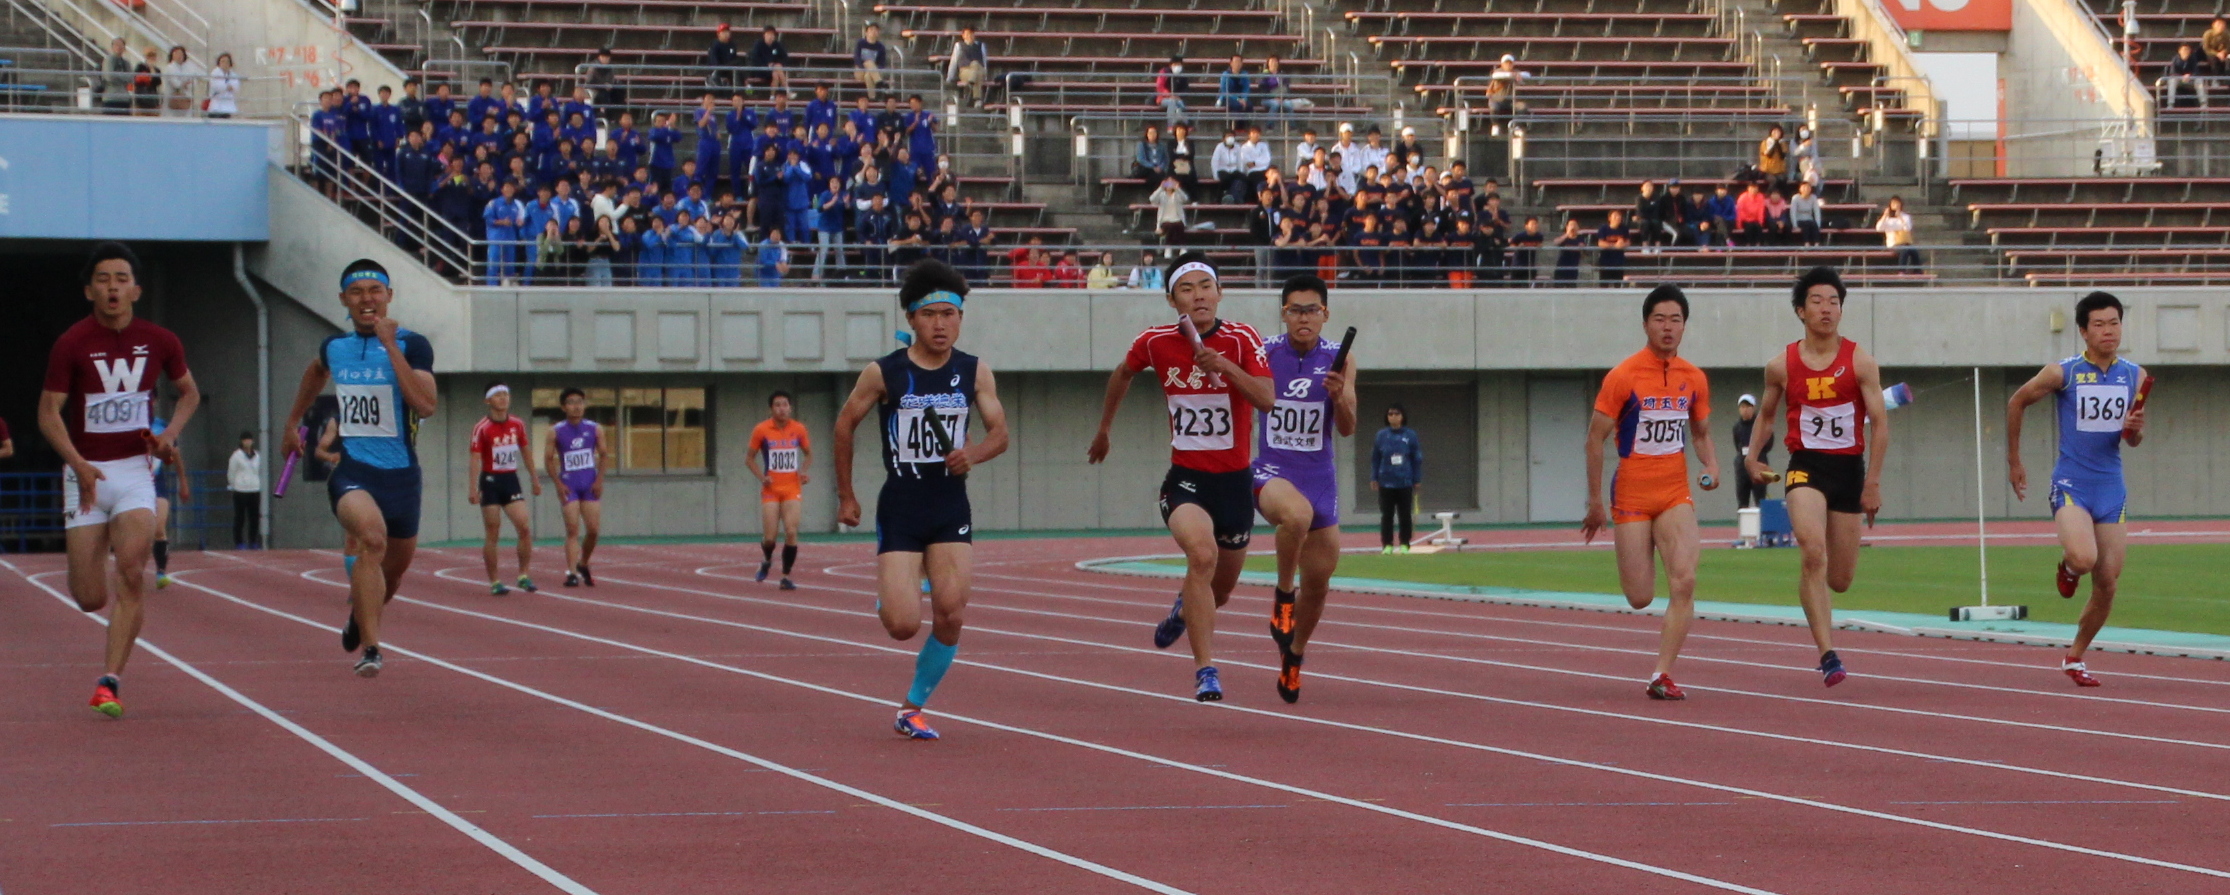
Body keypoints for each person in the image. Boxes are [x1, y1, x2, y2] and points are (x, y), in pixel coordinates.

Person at [833, 260, 1012, 739]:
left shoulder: (974, 372)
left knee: (951, 613)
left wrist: (971, 453)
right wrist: (846, 495)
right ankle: (892, 594)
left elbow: (1000, 434)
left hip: (950, 504)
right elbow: (844, 425)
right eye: (930, 315)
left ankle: (911, 708)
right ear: (911, 319)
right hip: (903, 504)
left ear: (960, 318)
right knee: (902, 625)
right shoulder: (884, 373)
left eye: (949, 315)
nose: (940, 324)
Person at [1087, 253, 1274, 701]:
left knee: (1220, 592)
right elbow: (1122, 373)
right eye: (1186, 289)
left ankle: (1182, 610)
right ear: (1173, 300)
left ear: (1219, 293)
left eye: (1204, 287)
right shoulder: (1155, 342)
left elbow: (1266, 399)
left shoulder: (1243, 338)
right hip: (1186, 481)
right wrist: (1105, 429)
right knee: (1201, 556)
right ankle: (1206, 669)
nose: (1198, 296)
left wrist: (1224, 367)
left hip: (1235, 484)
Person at [41, 243, 200, 717]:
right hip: (85, 472)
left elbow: (187, 393)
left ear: (136, 289)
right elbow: (48, 414)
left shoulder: (161, 340)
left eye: (121, 278)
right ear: (90, 290)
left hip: (134, 470)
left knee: (132, 571)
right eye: (104, 279)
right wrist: (77, 462)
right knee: (90, 598)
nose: (113, 287)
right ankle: (97, 552)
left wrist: (168, 434)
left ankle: (109, 681)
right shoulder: (71, 342)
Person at [279, 259, 434, 677]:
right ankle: (372, 647)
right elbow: (315, 373)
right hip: (354, 473)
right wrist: (293, 423)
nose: (367, 299)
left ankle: (359, 618)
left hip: (402, 478)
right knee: (370, 538)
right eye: (357, 291)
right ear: (344, 300)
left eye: (375, 290)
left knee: (394, 575)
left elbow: (426, 405)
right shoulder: (335, 347)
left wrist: (391, 347)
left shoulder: (413, 344)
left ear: (389, 296)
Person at [1742, 266, 1890, 688]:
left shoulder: (1861, 361)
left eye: (1834, 302)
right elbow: (1767, 416)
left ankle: (1818, 596)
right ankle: (1828, 653)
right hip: (1805, 465)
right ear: (1800, 311)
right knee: (1811, 550)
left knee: (1840, 580)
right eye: (1817, 302)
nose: (1826, 309)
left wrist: (1873, 483)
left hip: (1849, 470)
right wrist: (1752, 457)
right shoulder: (1781, 365)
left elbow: (1880, 424)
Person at [1581, 286, 1721, 700]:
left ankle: (1661, 674)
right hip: (1632, 491)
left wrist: (1710, 464)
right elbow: (1594, 441)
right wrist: (1594, 502)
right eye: (1660, 319)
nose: (1667, 327)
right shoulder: (1623, 376)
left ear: (1684, 326)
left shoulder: (1693, 377)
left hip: (1675, 490)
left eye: (1675, 320)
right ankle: (1641, 549)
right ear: (1646, 324)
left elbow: (1700, 432)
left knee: (1685, 580)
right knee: (1640, 596)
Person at [2005, 292, 2148, 688]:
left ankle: (2075, 657)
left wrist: (2135, 432)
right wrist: (2015, 461)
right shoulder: (2062, 373)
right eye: (2099, 325)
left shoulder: (2135, 376)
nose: (2108, 331)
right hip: (2071, 483)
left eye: (2114, 323)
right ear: (2083, 331)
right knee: (2084, 558)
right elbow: (2017, 402)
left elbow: (2132, 439)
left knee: (2108, 582)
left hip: (2110, 486)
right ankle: (2068, 567)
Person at [1254, 274, 1357, 703]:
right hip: (1272, 472)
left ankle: (1293, 657)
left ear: (1325, 314)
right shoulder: (1264, 351)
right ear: (1283, 313)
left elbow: (1348, 429)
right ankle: (1282, 596)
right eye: (1295, 309)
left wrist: (1340, 398)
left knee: (1319, 581)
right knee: (1294, 515)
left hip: (1319, 479)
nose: (1303, 317)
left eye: (1311, 310)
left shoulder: (1340, 359)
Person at [470, 384, 540, 594]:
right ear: (488, 401)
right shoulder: (481, 427)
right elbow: (474, 458)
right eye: (498, 395)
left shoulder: (517, 424)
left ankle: (524, 574)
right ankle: (495, 581)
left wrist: (534, 478)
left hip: (511, 479)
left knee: (524, 527)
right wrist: (473, 488)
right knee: (493, 531)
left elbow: (526, 451)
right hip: (490, 481)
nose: (503, 399)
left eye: (506, 395)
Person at [748, 391, 813, 589]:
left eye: (785, 404)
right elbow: (749, 459)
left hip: (792, 488)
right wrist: (762, 477)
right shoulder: (761, 430)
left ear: (790, 407)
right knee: (770, 537)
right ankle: (767, 559)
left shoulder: (798, 429)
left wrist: (803, 472)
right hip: (771, 489)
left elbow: (809, 454)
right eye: (777, 405)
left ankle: (785, 576)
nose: (781, 408)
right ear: (771, 408)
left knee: (792, 532)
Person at [545, 388, 608, 587]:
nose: (577, 406)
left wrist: (599, 480)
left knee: (593, 530)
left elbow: (604, 455)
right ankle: (571, 573)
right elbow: (548, 459)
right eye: (571, 402)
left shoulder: (595, 428)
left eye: (580, 401)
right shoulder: (555, 431)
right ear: (564, 407)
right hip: (569, 485)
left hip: (589, 483)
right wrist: (558, 483)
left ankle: (584, 563)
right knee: (572, 530)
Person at [1371, 404, 1421, 552]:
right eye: (1390, 414)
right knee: (1387, 515)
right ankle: (1387, 544)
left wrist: (1417, 479)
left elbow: (1416, 458)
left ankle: (1405, 543)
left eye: (1396, 414)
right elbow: (1375, 457)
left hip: (1405, 480)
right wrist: (1374, 477)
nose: (1393, 416)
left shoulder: (1410, 435)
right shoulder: (1381, 435)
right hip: (1386, 481)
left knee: (1405, 514)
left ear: (1402, 416)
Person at [146, 418, 188, 588]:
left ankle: (161, 572)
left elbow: (175, 454)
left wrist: (183, 482)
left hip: (157, 483)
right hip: (133, 483)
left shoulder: (161, 426)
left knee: (158, 528)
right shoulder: (128, 422)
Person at [1731, 395, 1772, 509]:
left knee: (1760, 500)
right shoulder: (1737, 427)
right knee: (1742, 501)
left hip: (1759, 464)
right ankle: (1743, 526)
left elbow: (1768, 444)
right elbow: (1737, 444)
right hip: (1742, 466)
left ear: (1753, 408)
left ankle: (1761, 526)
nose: (1745, 410)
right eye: (1743, 407)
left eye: (1748, 407)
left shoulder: (1761, 425)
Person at [947, 26, 990, 108]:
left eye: (971, 34)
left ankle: (972, 81)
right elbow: (954, 61)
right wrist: (950, 77)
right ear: (963, 36)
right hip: (965, 70)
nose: (970, 36)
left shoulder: (980, 46)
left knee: (977, 65)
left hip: (979, 70)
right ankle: (977, 99)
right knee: (977, 70)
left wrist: (985, 74)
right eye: (967, 34)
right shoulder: (959, 45)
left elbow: (984, 61)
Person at [1878, 196, 1920, 272]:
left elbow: (1908, 228)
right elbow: (1878, 228)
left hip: (1905, 242)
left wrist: (1900, 217)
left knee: (1914, 250)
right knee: (1904, 250)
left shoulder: (1906, 217)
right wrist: (1884, 216)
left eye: (1897, 204)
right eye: (1893, 204)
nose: (1896, 206)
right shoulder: (1887, 218)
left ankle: (1917, 271)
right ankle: (1901, 271)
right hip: (1893, 244)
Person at [855, 23, 891, 99]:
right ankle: (879, 82)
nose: (873, 32)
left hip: (873, 72)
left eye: (876, 30)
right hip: (860, 70)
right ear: (866, 32)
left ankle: (872, 98)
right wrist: (864, 67)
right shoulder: (860, 43)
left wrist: (872, 70)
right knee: (868, 62)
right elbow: (857, 58)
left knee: (868, 76)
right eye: (871, 30)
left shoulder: (881, 47)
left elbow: (882, 63)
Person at [206, 53, 240, 119]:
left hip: (227, 105)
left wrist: (226, 87)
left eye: (227, 61)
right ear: (219, 63)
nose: (225, 64)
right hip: (216, 105)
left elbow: (236, 87)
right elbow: (217, 86)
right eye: (223, 61)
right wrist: (227, 87)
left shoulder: (233, 74)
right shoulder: (215, 72)